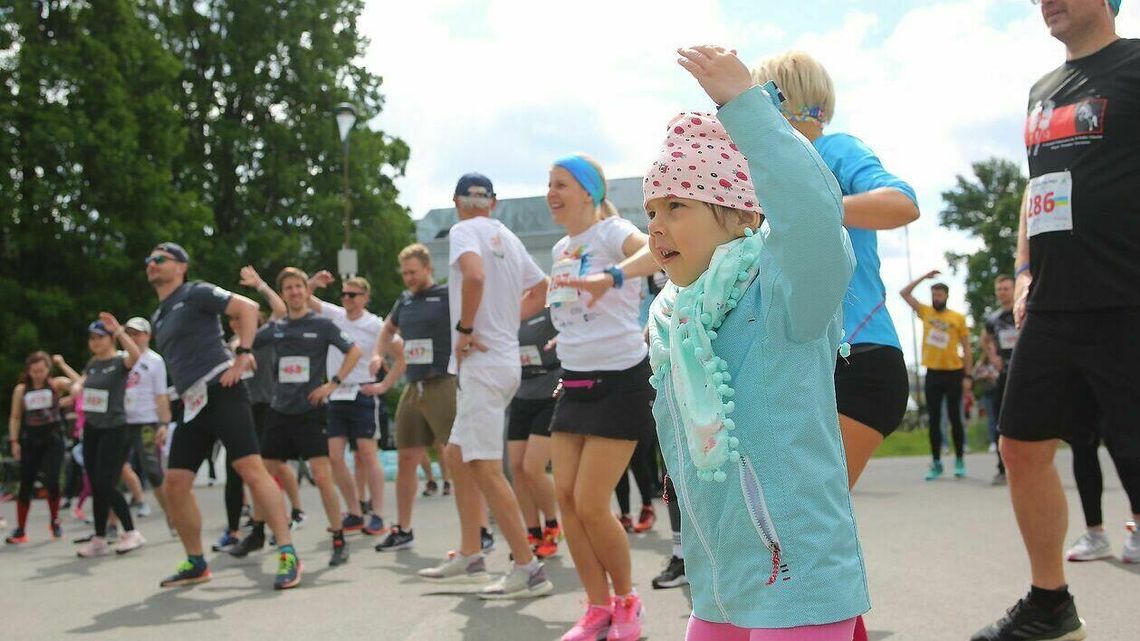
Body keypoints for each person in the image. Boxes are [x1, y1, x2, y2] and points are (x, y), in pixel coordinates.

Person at [645, 45, 863, 641]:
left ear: (738, 215)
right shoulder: (671, 319)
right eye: (651, 211)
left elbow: (814, 214)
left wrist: (745, 107)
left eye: (677, 206)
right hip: (719, 579)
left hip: (799, 579)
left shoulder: (784, 293)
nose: (656, 225)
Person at [971, 1, 1138, 639]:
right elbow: (1035, 185)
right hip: (1052, 303)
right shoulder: (1042, 91)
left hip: (1126, 298)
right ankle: (1050, 605)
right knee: (1020, 445)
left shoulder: (1134, 66)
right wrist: (1024, 267)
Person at [751, 50, 918, 491]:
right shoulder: (768, 173)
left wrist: (813, 209)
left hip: (860, 360)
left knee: (804, 516)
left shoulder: (833, 149)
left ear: (777, 97)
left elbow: (901, 203)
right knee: (789, 524)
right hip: (802, 360)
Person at [415, 173, 554, 601]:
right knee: (457, 454)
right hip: (503, 360)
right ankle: (472, 553)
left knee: (484, 467)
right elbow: (542, 287)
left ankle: (528, 569)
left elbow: (473, 277)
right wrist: (501, 323)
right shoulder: (507, 236)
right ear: (491, 203)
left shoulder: (463, 230)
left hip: (481, 363)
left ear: (458, 202)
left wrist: (468, 327)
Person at [537, 151, 658, 641]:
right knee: (566, 501)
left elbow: (655, 251)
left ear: (589, 190)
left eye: (561, 183)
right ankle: (596, 608)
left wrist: (610, 276)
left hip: (621, 379)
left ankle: (628, 601)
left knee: (590, 503)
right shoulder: (561, 247)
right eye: (549, 184)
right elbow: (574, 307)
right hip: (575, 379)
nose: (552, 193)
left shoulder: (612, 232)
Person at [146, 242, 301, 589]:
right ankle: (197, 561)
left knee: (250, 469)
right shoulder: (159, 315)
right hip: (191, 403)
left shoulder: (195, 292)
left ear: (181, 266)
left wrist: (244, 353)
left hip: (223, 390)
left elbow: (247, 307)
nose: (151, 264)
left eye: (160, 259)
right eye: (149, 260)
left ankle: (288, 553)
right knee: (175, 485)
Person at [249, 266, 367, 567]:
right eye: (288, 288)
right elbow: (247, 344)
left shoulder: (322, 325)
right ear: (284, 294)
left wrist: (333, 384)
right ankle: (257, 530)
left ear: (306, 290)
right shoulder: (276, 327)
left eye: (299, 286)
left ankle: (338, 538)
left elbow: (353, 351)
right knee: (262, 472)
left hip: (310, 410)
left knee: (322, 476)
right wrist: (239, 355)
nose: (294, 292)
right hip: (279, 409)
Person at [306, 269, 405, 537]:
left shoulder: (374, 325)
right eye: (344, 294)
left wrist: (385, 384)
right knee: (335, 457)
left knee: (367, 453)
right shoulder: (335, 315)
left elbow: (402, 354)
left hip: (362, 393)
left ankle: (378, 514)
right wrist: (312, 283)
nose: (347, 299)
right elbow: (303, 299)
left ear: (365, 298)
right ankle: (354, 511)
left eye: (352, 295)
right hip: (337, 394)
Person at [374, 243, 456, 552]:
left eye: (413, 272)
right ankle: (404, 529)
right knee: (407, 456)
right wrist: (377, 354)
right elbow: (386, 328)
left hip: (443, 381)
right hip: (414, 384)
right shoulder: (405, 300)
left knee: (456, 455)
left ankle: (479, 530)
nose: (408, 278)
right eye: (404, 273)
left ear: (428, 268)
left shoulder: (447, 296)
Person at [75, 315, 148, 557]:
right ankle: (99, 537)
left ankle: (130, 532)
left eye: (99, 337)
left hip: (114, 429)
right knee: (96, 484)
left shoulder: (119, 362)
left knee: (106, 482)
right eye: (92, 338)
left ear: (109, 339)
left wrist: (118, 331)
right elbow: (82, 385)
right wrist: (74, 387)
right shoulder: (93, 364)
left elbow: (136, 355)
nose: (95, 342)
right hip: (93, 429)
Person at [900, 272, 973, 480]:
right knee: (934, 419)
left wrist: (968, 375)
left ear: (947, 296)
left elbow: (967, 348)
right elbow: (904, 293)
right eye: (934, 294)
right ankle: (937, 462)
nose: (936, 298)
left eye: (939, 295)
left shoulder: (957, 318)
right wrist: (924, 277)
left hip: (953, 372)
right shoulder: (926, 312)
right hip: (932, 373)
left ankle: (959, 459)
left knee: (954, 418)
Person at [6, 352, 78, 544]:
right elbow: (15, 416)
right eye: (34, 371)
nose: (38, 374)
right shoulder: (22, 390)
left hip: (53, 439)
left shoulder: (56, 384)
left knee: (52, 480)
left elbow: (79, 386)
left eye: (42, 370)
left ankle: (54, 520)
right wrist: (14, 442)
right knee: (26, 482)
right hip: (30, 440)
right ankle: (21, 529)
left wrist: (62, 365)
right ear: (28, 371)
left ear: (48, 370)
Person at [507, 308, 562, 559]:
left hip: (549, 393)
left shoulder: (549, 306)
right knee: (516, 467)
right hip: (520, 394)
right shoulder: (506, 307)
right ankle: (533, 532)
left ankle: (552, 525)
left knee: (533, 467)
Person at [121, 317, 172, 523]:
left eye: (137, 333)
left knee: (152, 470)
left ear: (147, 336)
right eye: (129, 333)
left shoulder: (155, 361)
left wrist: (164, 424)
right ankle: (114, 522)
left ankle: (171, 514)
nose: (133, 337)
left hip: (146, 421)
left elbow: (161, 395)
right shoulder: (121, 358)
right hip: (122, 421)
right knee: (114, 468)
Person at [981, 275, 1017, 485]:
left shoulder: (1023, 311)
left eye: (1006, 288)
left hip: (1025, 372)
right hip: (1004, 374)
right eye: (999, 289)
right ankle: (1002, 467)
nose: (1002, 292)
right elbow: (985, 339)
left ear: (1013, 289)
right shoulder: (993, 319)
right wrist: (993, 357)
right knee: (1000, 420)